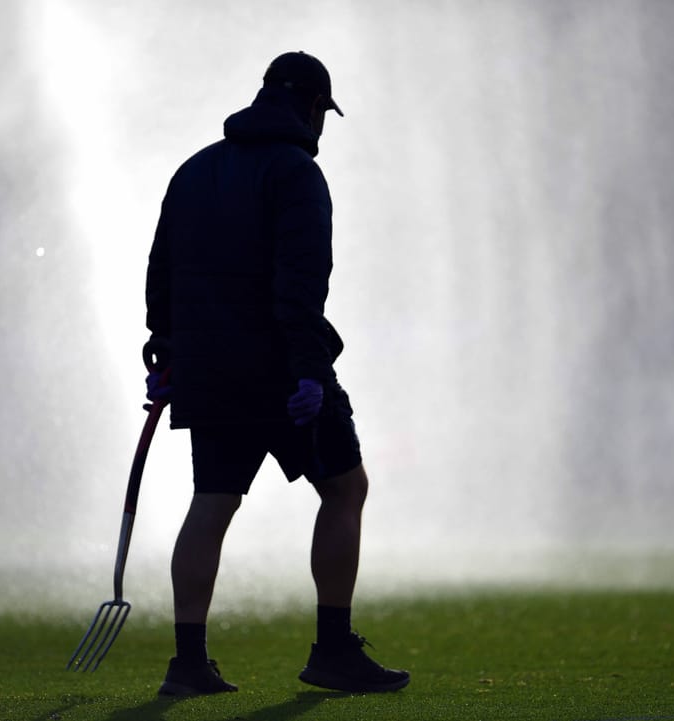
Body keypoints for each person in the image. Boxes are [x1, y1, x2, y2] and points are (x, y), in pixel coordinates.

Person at [143, 51, 410, 696]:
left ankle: (187, 663)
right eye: (322, 112)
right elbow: (299, 287)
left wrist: (166, 351)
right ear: (311, 108)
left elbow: (160, 276)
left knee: (211, 504)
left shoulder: (194, 170)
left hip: (210, 374)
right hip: (284, 374)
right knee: (346, 489)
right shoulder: (296, 173)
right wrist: (311, 373)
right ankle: (334, 650)